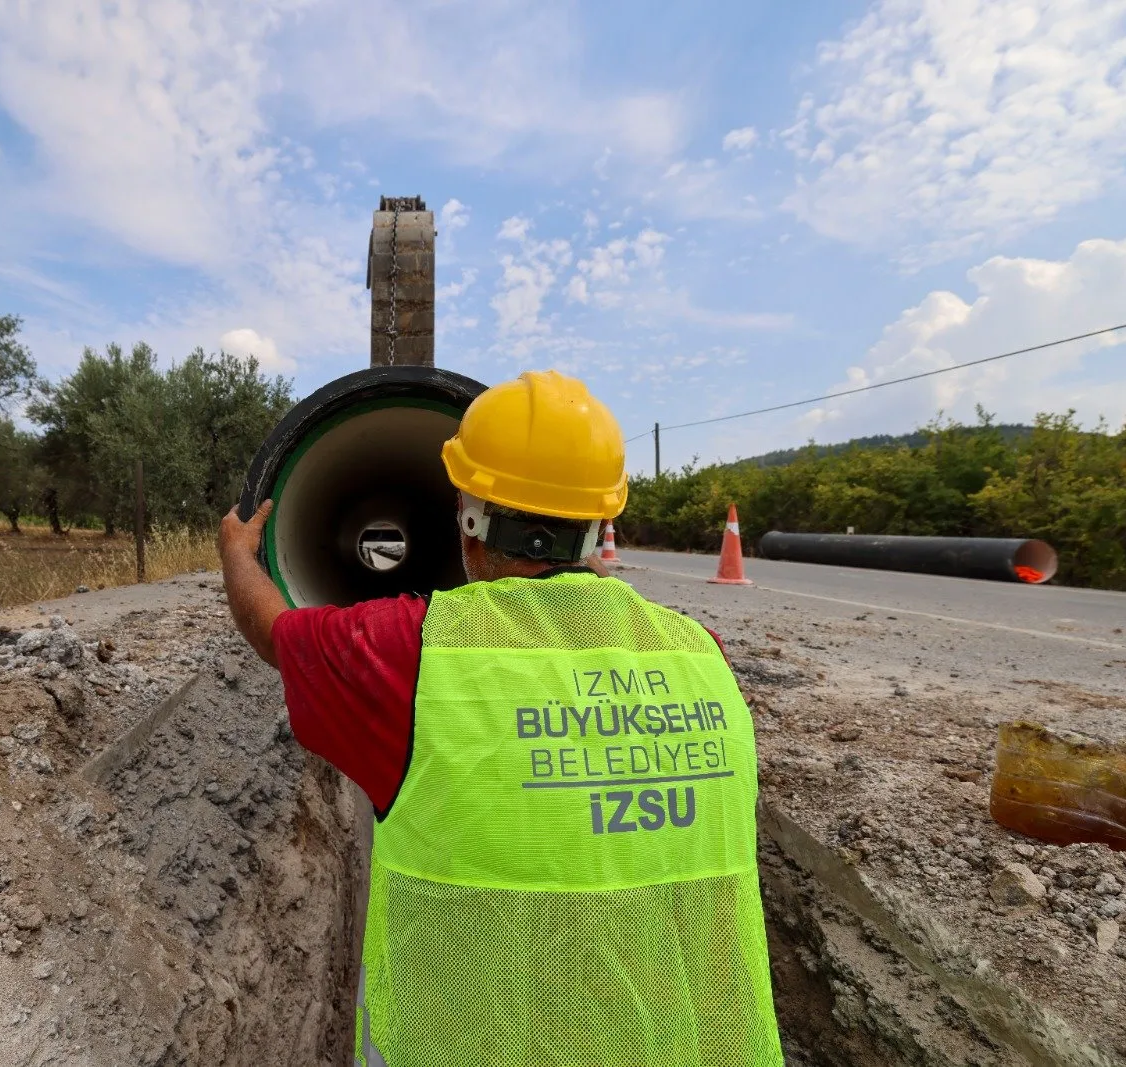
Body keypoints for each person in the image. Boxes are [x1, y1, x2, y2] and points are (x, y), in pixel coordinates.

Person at [219, 370, 782, 1067]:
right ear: (602, 523)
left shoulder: (409, 655)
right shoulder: (701, 656)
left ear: (469, 520)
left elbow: (277, 632)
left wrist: (238, 558)